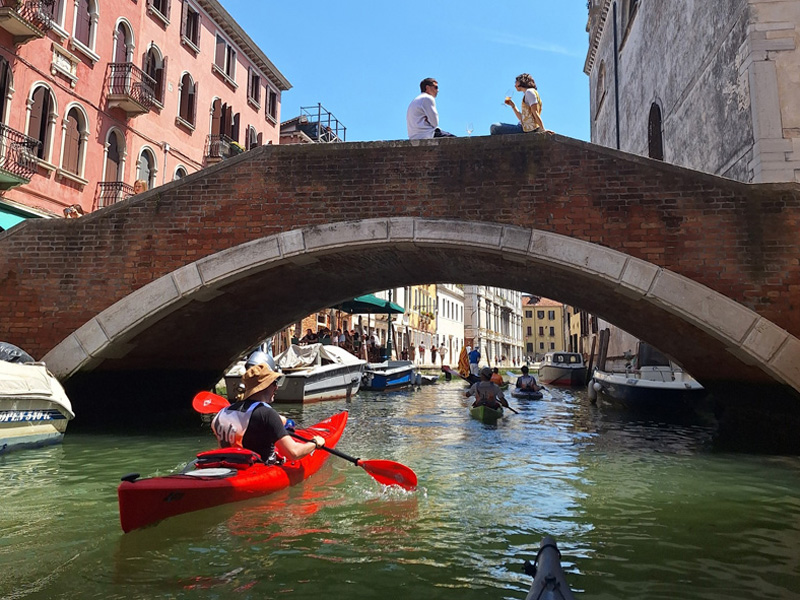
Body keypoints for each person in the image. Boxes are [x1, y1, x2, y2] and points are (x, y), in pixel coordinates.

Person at [212, 364, 325, 463]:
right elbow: (293, 453)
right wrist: (315, 443)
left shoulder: (223, 412)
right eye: (274, 383)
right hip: (257, 469)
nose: (277, 387)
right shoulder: (267, 414)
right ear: (265, 386)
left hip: (227, 464)